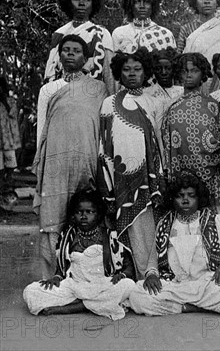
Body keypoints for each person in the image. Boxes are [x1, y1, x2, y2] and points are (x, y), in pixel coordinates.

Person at [33, 34, 108, 278]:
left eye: (77, 51)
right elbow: (41, 130)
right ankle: (52, 277)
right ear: (59, 55)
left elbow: (101, 128)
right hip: (55, 162)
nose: (71, 54)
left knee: (84, 212)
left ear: (86, 58)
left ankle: (84, 275)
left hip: (86, 161)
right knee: (54, 215)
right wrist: (40, 166)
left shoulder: (97, 88)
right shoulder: (48, 89)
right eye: (66, 50)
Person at [127, 175, 220, 316]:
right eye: (180, 196)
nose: (185, 200)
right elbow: (152, 262)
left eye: (191, 195)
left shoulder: (214, 221)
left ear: (199, 199)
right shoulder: (164, 224)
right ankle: (198, 307)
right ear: (173, 200)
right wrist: (151, 275)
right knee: (137, 294)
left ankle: (181, 307)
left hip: (206, 283)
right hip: (175, 285)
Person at [97, 48, 164, 289]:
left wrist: (161, 174)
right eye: (126, 70)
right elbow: (104, 145)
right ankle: (133, 277)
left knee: (149, 224)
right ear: (118, 73)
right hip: (120, 178)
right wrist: (106, 182)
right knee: (128, 226)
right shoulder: (108, 103)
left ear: (146, 72)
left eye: (138, 69)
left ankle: (150, 274)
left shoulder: (153, 101)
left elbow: (159, 142)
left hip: (148, 176)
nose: (132, 74)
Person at [23, 189, 136, 320]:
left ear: (98, 215)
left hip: (103, 285)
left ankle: (75, 307)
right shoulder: (68, 237)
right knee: (30, 291)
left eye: (90, 212)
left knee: (128, 285)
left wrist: (121, 275)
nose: (84, 216)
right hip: (74, 287)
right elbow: (62, 268)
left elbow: (129, 267)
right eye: (79, 212)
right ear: (73, 215)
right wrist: (56, 278)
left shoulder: (111, 237)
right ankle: (93, 304)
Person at [162, 52, 220, 212]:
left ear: (203, 73)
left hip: (210, 177)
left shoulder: (213, 106)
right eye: (184, 71)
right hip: (181, 180)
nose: (189, 75)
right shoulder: (171, 107)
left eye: (194, 70)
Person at [44, 0, 114, 87]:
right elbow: (50, 71)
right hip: (61, 94)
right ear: (68, 2)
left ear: (93, 3)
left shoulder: (101, 34)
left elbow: (109, 75)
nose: (81, 3)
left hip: (91, 95)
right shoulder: (59, 34)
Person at [111, 0, 175, 56]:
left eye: (146, 2)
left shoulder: (166, 34)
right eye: (137, 2)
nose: (142, 6)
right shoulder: (119, 34)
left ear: (153, 5)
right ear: (130, 5)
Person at [0, 77, 21, 187]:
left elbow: (13, 115)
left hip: (8, 138)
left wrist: (4, 101)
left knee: (10, 161)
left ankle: (8, 180)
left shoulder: (11, 101)